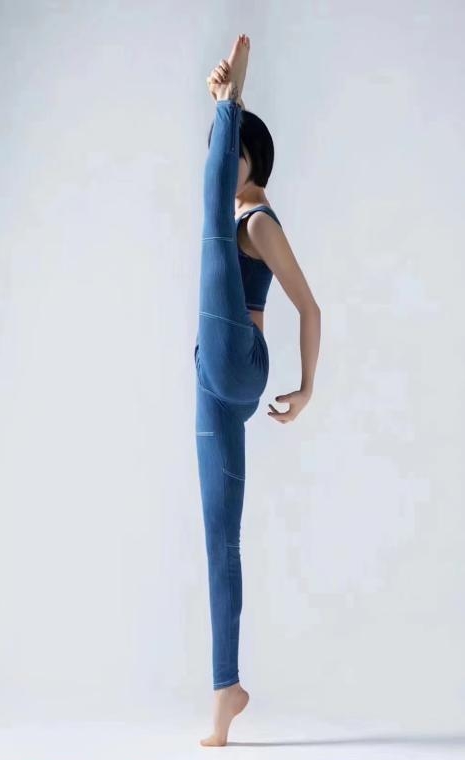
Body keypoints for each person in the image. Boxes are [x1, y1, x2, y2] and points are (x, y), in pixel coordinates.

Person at [194, 34, 321, 747]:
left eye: (225, 146)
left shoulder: (255, 222)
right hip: (211, 380)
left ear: (249, 160)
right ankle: (226, 692)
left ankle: (230, 102)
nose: (216, 159)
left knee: (212, 225)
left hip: (240, 360)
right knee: (220, 539)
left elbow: (311, 307)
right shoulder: (233, 215)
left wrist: (306, 388)